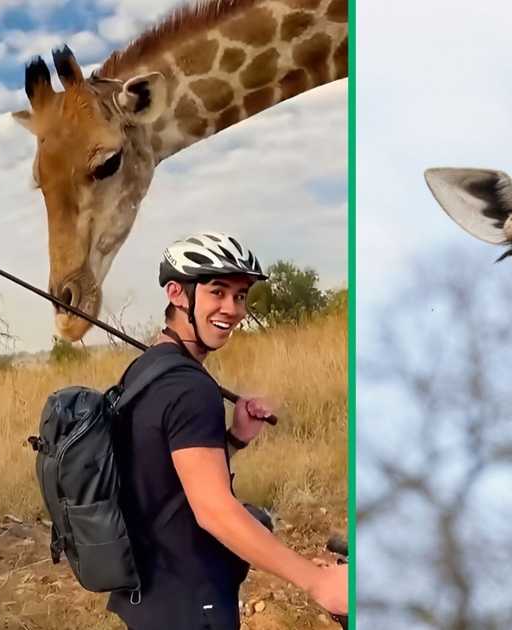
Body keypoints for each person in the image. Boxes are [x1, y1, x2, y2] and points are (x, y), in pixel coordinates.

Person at [107, 232, 348, 629]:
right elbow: (215, 512)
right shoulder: (190, 387)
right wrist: (318, 581)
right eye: (217, 292)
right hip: (189, 597)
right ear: (176, 293)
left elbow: (167, 477)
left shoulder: (146, 369)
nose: (232, 309)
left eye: (240, 295)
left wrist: (233, 439)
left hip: (150, 593)